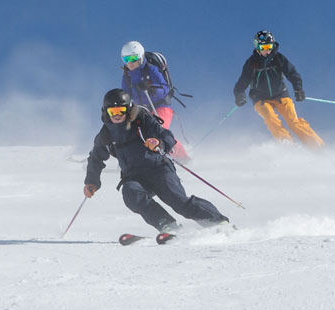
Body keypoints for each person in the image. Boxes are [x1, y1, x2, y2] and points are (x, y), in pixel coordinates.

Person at [83, 89, 228, 232]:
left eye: (120, 110)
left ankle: (218, 222)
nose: (117, 115)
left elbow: (167, 136)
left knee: (178, 202)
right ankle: (168, 226)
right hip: (134, 176)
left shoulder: (142, 120)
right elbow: (95, 158)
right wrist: (91, 182)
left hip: (159, 170)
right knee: (131, 193)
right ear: (106, 112)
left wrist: (159, 143)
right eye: (112, 112)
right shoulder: (106, 134)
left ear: (128, 109)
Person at [232, 30, 323, 147]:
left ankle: (316, 145)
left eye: (269, 47)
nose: (267, 51)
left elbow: (293, 74)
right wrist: (239, 96)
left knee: (293, 121)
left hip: (280, 94)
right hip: (260, 98)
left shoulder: (278, 58)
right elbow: (242, 83)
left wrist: (298, 89)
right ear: (257, 46)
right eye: (263, 47)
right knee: (271, 119)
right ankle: (287, 144)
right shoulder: (252, 63)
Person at [119, 41, 189, 159]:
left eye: (133, 58)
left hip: (161, 106)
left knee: (159, 132)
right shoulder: (127, 76)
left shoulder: (151, 70)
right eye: (126, 59)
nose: (130, 62)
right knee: (136, 132)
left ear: (140, 57)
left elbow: (165, 88)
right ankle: (133, 159)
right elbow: (126, 95)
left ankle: (181, 156)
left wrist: (152, 90)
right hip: (143, 110)